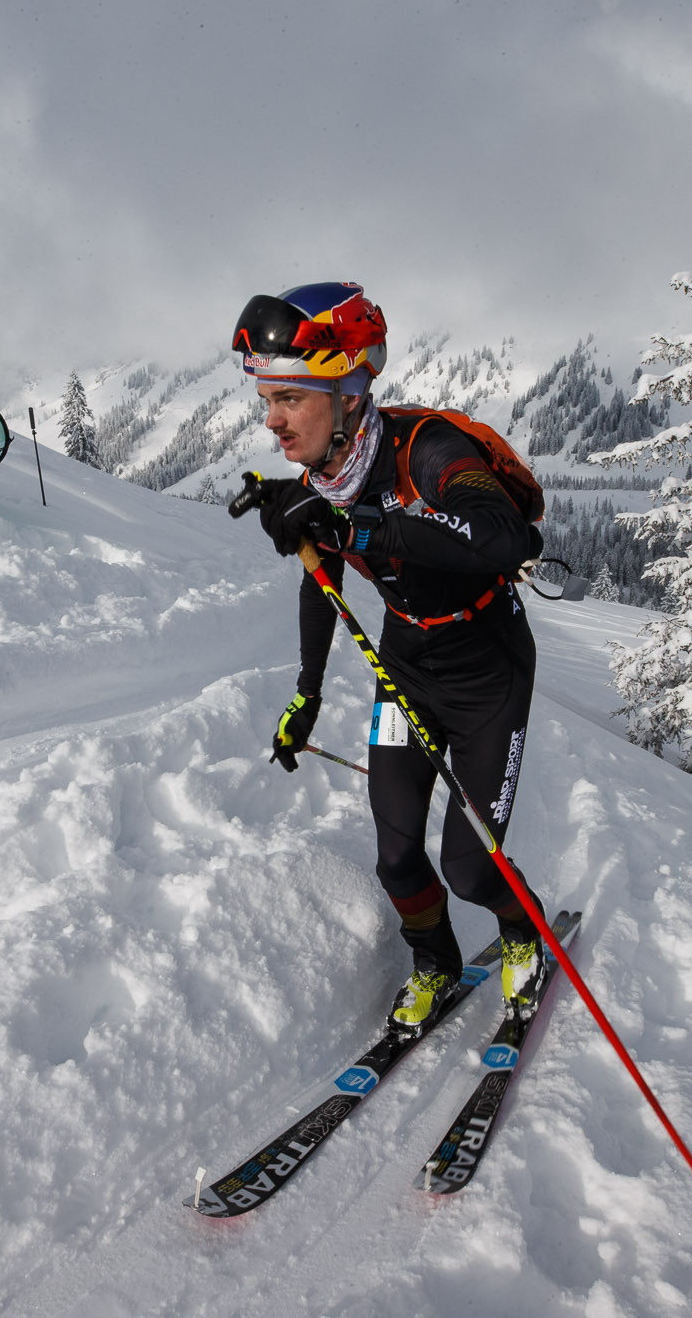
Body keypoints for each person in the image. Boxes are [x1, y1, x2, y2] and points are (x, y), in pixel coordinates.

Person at [230, 281, 547, 1034]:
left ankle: (523, 930)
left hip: (485, 672)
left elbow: (507, 538)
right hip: (407, 671)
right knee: (397, 856)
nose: (272, 420)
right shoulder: (328, 478)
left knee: (471, 868)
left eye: (291, 398)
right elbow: (323, 577)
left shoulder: (429, 450)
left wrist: (365, 527)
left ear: (349, 391)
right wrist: (306, 695)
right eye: (266, 399)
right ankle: (433, 962)